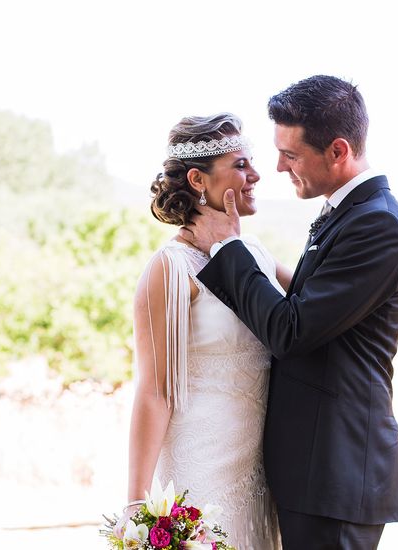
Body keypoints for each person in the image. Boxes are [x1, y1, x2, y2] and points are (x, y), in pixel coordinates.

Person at [180, 75, 398, 549]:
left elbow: (290, 330)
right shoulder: (352, 213)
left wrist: (230, 249)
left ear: (337, 150)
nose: (277, 166)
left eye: (290, 155)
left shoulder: (379, 224)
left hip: (336, 470)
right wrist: (255, 257)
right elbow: (312, 301)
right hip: (316, 471)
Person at [126, 113, 287, 549]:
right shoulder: (171, 269)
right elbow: (154, 391)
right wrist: (136, 507)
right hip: (200, 473)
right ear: (198, 179)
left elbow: (305, 316)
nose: (255, 175)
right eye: (240, 165)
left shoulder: (253, 251)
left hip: (258, 471)